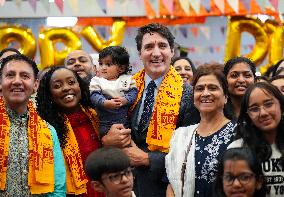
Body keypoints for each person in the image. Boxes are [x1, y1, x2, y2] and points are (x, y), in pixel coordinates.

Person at [101, 23, 199, 197]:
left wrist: (148, 159)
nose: (156, 53)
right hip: (125, 184)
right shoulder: (123, 87)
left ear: (171, 52)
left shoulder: (189, 95)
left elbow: (192, 151)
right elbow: (105, 125)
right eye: (148, 47)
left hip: (167, 187)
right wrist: (106, 138)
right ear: (140, 54)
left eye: (162, 46)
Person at [166, 64, 237, 197]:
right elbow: (171, 183)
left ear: (226, 96)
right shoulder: (180, 135)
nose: (205, 93)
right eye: (199, 89)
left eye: (213, 88)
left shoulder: (238, 133)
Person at [0, 54, 66, 196]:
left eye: (24, 76)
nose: (17, 81)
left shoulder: (48, 131)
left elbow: (58, 187)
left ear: (35, 85)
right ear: (0, 83)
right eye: (10, 75)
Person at [36, 66, 104, 197]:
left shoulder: (97, 116)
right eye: (57, 85)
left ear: (80, 86)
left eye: (71, 82)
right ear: (49, 94)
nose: (66, 88)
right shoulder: (45, 129)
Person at [228, 82, 284, 197]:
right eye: (254, 109)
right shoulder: (237, 149)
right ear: (247, 115)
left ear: (281, 105)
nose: (263, 113)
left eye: (268, 104)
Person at [90, 46, 138, 137]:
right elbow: (94, 95)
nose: (103, 68)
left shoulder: (127, 80)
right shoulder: (97, 80)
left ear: (121, 68)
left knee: (125, 139)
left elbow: (133, 93)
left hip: (124, 122)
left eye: (108, 64)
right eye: (101, 64)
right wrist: (105, 102)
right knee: (107, 142)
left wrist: (125, 100)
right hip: (105, 124)